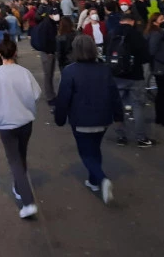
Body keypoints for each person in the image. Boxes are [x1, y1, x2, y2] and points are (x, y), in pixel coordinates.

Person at [55, 35, 122, 205]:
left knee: (85, 153)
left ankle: (102, 179)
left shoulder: (70, 71)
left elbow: (63, 98)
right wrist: (119, 116)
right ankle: (93, 181)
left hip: (81, 120)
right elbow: (114, 95)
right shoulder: (104, 69)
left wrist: (60, 118)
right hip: (103, 118)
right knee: (94, 149)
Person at [0, 34, 42, 219]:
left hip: (6, 125)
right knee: (21, 155)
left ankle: (28, 201)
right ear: (15, 53)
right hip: (25, 122)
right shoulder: (24, 73)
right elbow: (36, 94)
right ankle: (19, 187)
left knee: (14, 160)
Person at [107, 12, 155, 147]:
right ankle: (141, 138)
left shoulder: (111, 34)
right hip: (135, 75)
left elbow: (107, 54)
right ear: (132, 22)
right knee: (137, 106)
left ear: (121, 21)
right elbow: (146, 57)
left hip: (116, 75)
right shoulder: (137, 35)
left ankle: (121, 136)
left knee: (118, 106)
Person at [32, 8, 60, 106]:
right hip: (47, 53)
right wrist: (49, 52)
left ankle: (51, 94)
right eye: (55, 14)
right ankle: (49, 97)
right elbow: (45, 40)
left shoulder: (50, 23)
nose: (57, 15)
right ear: (50, 15)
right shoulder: (47, 25)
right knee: (48, 75)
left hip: (50, 52)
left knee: (50, 75)